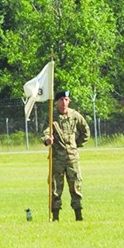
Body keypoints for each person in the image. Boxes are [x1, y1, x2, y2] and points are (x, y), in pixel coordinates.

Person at [42, 89, 91, 221]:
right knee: (55, 188)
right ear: (57, 102)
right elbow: (46, 131)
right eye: (61, 100)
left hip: (72, 158)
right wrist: (48, 139)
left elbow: (85, 131)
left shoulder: (75, 115)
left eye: (66, 100)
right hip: (57, 158)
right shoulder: (52, 117)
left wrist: (76, 145)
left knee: (76, 185)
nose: (64, 102)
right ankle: (56, 216)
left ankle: (78, 215)